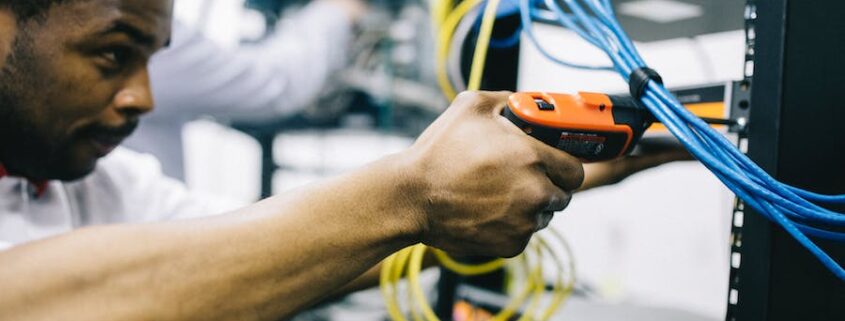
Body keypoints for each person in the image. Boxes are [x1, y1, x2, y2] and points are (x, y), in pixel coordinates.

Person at [0, 0, 687, 320]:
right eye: (114, 54)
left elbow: (259, 243)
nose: (142, 97)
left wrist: (535, 171)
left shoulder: (99, 183)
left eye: (152, 59)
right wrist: (415, 196)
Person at [124, 0, 365, 180]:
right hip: (140, 235)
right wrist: (336, 11)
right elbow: (272, 84)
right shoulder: (132, 23)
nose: (139, 99)